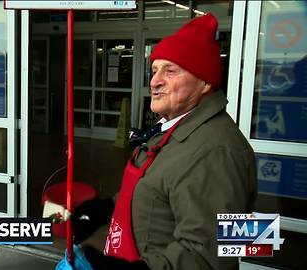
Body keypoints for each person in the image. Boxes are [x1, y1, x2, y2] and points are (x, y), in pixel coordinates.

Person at [69, 13, 257, 270]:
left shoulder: (217, 150)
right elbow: (158, 188)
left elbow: (211, 256)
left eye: (171, 70)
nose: (155, 81)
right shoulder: (171, 126)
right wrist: (105, 208)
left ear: (204, 83)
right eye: (155, 70)